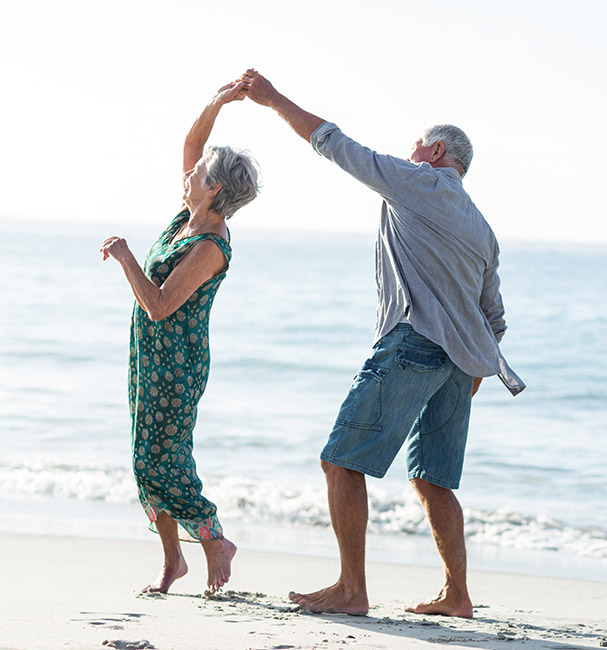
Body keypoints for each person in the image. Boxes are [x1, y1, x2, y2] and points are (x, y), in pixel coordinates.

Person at [241, 68, 524, 618]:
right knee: (432, 479)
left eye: (416, 144)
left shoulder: (418, 181)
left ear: (436, 151)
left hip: (413, 343)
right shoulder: (483, 227)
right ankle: (457, 595)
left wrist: (272, 99)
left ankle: (352, 589)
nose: (408, 151)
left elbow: (336, 144)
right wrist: (469, 373)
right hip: (460, 364)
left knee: (340, 462)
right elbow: (495, 315)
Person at [100, 81, 261, 596]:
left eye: (197, 174)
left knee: (159, 460)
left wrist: (126, 258)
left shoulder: (211, 242)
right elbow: (192, 150)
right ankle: (173, 562)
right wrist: (216, 103)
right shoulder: (187, 217)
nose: (187, 173)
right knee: (144, 457)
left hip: (177, 362)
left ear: (214, 188)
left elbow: (162, 305)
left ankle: (214, 539)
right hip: (148, 354)